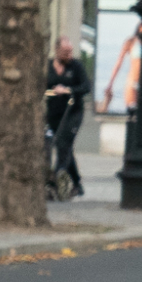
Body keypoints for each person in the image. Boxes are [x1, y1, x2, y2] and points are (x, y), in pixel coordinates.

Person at [46, 37, 91, 191]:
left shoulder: (76, 66)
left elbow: (86, 86)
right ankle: (77, 183)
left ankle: (58, 175)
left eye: (70, 51)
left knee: (63, 142)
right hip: (54, 114)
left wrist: (68, 90)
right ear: (57, 50)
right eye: (65, 52)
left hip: (73, 112)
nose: (69, 55)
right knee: (59, 145)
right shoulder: (48, 67)